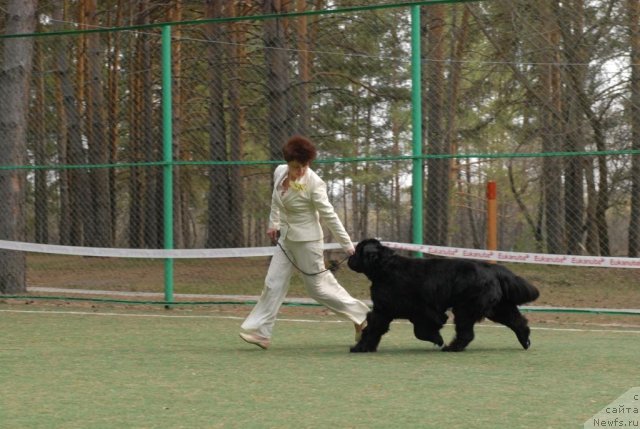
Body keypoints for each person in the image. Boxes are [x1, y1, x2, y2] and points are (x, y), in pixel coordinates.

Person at [239, 135, 369, 349]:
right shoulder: (279, 171)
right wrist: (274, 223)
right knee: (273, 283)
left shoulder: (315, 184)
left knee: (318, 289)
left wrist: (346, 244)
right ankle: (261, 333)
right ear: (287, 162)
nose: (300, 171)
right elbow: (275, 199)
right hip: (286, 240)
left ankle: (363, 317)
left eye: (304, 166)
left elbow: (329, 215)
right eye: (296, 166)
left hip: (309, 242)